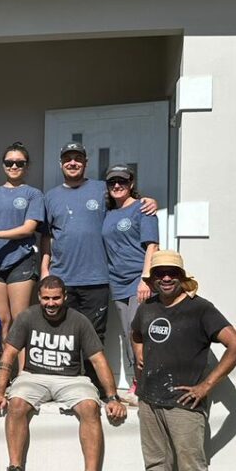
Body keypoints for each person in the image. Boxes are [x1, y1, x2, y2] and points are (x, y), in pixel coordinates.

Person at [131, 250, 236, 471]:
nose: (166, 278)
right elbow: (136, 333)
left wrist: (206, 386)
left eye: (172, 273)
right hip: (149, 400)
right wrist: (138, 354)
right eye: (160, 273)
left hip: (184, 404)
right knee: (157, 466)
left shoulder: (201, 310)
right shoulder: (148, 307)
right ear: (153, 279)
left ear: (182, 277)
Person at [0, 276, 127, 471]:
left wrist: (112, 397)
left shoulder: (79, 320)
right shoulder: (27, 317)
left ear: (65, 297)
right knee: (17, 403)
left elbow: (99, 360)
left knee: (90, 407)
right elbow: (9, 354)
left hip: (71, 378)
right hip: (34, 376)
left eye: (56, 298)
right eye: (46, 298)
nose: (51, 303)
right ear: (39, 297)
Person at [40, 142, 157, 345]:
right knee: (63, 337)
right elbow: (46, 237)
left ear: (86, 163)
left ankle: (94, 371)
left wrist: (149, 201)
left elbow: (126, 202)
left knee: (94, 337)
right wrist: (44, 270)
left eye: (78, 159)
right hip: (62, 278)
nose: (73, 163)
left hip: (96, 279)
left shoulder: (103, 189)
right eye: (68, 159)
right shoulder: (50, 197)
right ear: (60, 164)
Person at [102, 164, 159, 404]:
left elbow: (152, 245)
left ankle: (147, 386)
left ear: (131, 183)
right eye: (112, 182)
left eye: (122, 181)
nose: (117, 185)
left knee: (140, 334)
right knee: (128, 334)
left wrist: (146, 278)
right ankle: (137, 383)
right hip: (117, 281)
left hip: (139, 280)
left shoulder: (142, 208)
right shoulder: (108, 213)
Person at [0, 143, 45, 342]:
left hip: (21, 261)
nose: (14, 166)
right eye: (9, 162)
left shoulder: (33, 194)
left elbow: (29, 228)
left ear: (27, 166)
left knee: (20, 320)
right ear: (3, 165)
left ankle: (23, 363)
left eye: (19, 163)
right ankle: (3, 363)